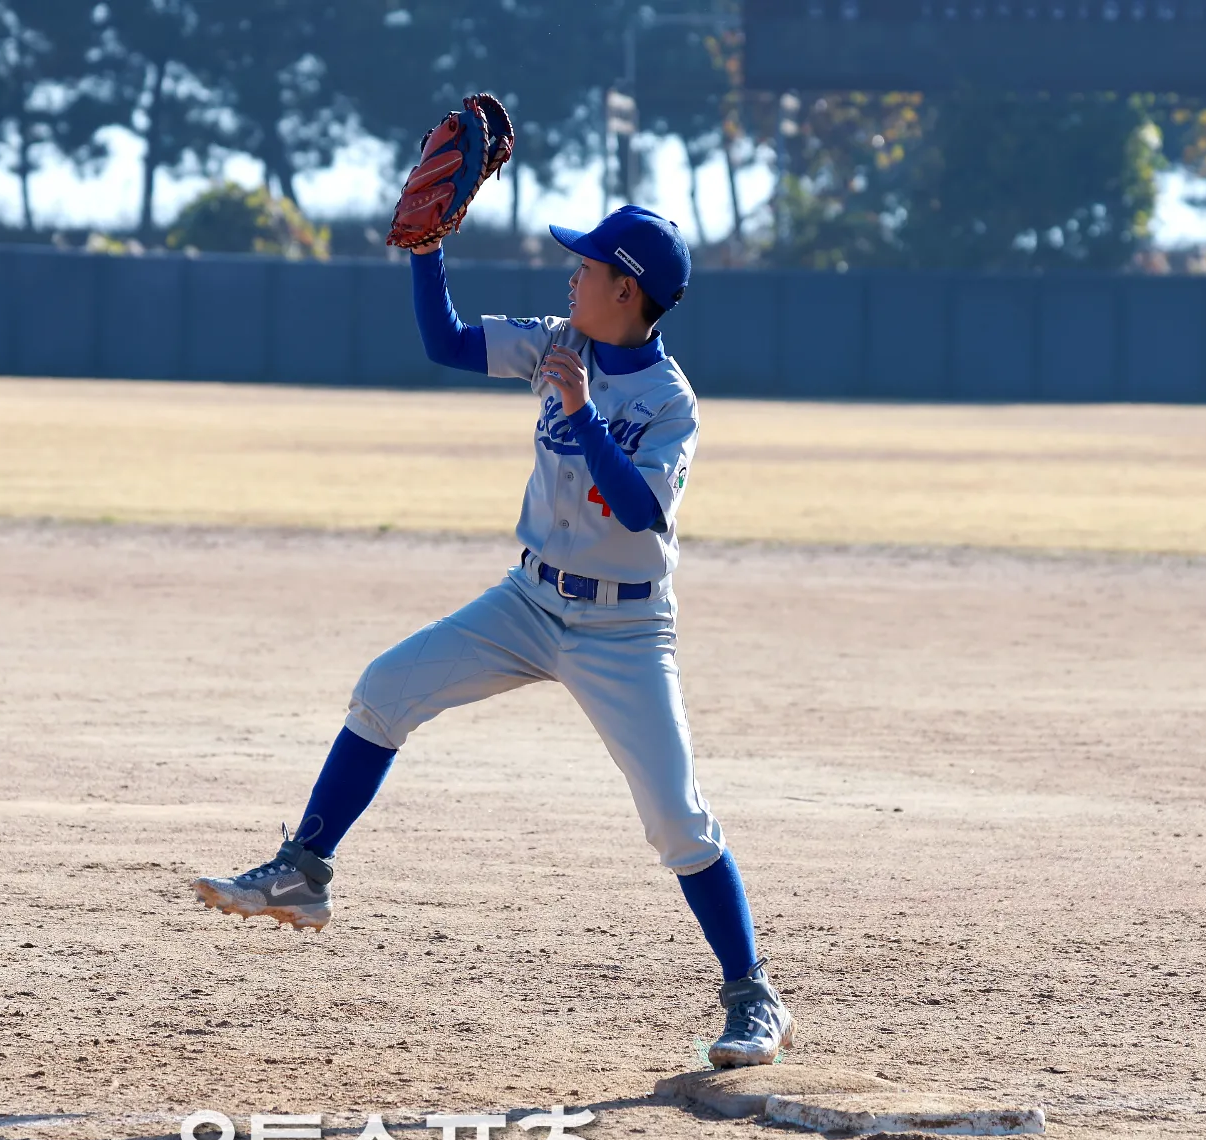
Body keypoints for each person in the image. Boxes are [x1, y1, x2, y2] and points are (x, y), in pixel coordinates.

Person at [192, 206, 794, 1067]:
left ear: (627, 291)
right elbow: (444, 341)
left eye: (588, 266)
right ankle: (303, 869)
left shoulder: (670, 402)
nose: (572, 276)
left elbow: (641, 509)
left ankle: (753, 995)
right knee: (384, 689)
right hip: (529, 599)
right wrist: (426, 251)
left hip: (623, 626)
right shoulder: (556, 342)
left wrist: (581, 411)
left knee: (677, 819)